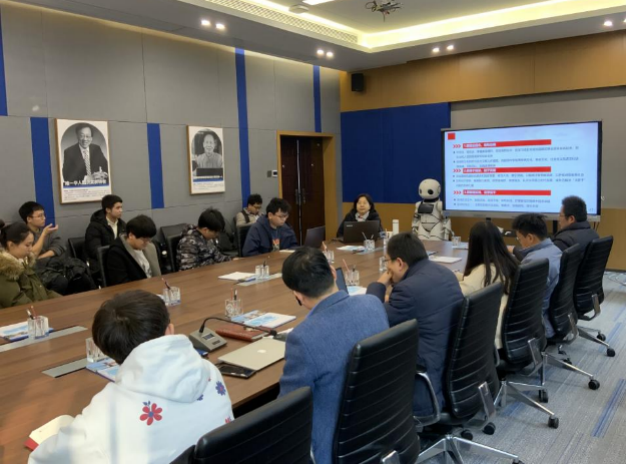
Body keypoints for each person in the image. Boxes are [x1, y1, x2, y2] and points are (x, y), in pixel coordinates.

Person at [28, 290, 234, 464]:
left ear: (109, 353)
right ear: (170, 331)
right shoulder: (209, 372)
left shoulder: (103, 420)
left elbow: (40, 460)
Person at [279, 248, 389, 464]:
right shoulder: (373, 304)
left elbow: (287, 410)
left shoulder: (302, 338)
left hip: (334, 446)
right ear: (333, 272)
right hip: (381, 425)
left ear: (297, 294)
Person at [366, 232, 463, 418]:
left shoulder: (407, 290)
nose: (387, 268)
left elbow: (371, 320)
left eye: (387, 261)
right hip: (454, 369)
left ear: (399, 263)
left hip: (426, 382)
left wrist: (379, 284)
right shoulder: (444, 273)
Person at [457, 221, 520, 348]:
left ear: (474, 245)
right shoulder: (510, 263)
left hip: (492, 340)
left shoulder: (482, 273)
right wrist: (457, 276)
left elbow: (457, 295)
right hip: (511, 332)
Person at [512, 214, 562, 339]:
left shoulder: (533, 262)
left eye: (519, 239)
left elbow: (521, 300)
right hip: (555, 316)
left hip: (538, 323)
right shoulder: (556, 250)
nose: (520, 243)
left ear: (530, 238)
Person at [0, 220, 61, 309]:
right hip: (28, 314)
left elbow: (43, 291)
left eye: (32, 244)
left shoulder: (24, 262)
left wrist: (63, 301)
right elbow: (17, 302)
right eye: (27, 245)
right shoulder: (5, 269)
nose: (31, 249)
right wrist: (46, 309)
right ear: (11, 245)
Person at [107, 215, 161, 286]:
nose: (147, 242)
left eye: (149, 239)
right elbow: (121, 283)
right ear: (131, 235)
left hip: (155, 286)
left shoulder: (151, 247)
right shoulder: (116, 253)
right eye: (144, 239)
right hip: (136, 290)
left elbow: (162, 270)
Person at [85, 195, 126, 272]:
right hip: (99, 263)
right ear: (108, 210)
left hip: (117, 260)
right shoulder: (94, 226)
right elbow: (96, 251)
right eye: (117, 208)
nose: (121, 210)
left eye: (121, 207)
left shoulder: (122, 225)